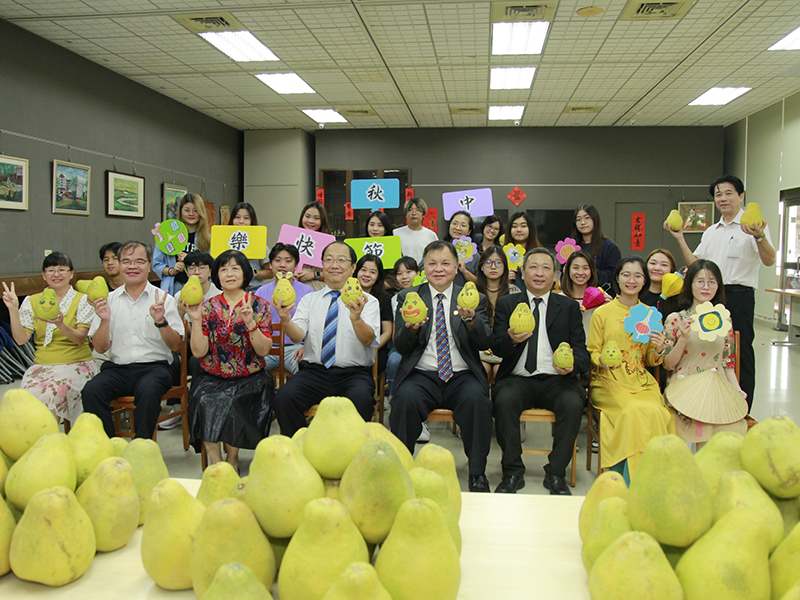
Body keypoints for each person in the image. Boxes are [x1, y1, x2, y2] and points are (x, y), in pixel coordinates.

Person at [665, 175, 776, 413]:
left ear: (741, 196)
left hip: (738, 296)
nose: (723, 198)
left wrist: (759, 236)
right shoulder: (712, 231)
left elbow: (769, 260)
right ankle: (710, 404)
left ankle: (742, 409)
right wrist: (680, 239)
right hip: (710, 296)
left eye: (728, 193)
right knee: (710, 348)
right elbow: (695, 263)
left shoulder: (753, 226)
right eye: (718, 194)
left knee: (740, 351)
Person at [390, 241, 493, 493]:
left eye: (445, 263)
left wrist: (470, 321)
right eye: (432, 263)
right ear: (423, 268)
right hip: (422, 375)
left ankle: (477, 472)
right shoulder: (408, 297)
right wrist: (412, 330)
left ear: (457, 266)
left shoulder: (473, 297)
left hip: (462, 374)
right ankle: (401, 469)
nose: (439, 269)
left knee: (478, 401)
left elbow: (485, 341)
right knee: (403, 400)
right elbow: (401, 346)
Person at [491, 248, 589, 495]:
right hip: (518, 377)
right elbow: (496, 346)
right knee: (503, 400)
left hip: (558, 379)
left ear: (555, 275)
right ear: (522, 272)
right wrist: (511, 339)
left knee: (573, 402)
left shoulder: (567, 307)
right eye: (533, 267)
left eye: (546, 268)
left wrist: (572, 366)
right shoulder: (507, 303)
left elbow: (581, 351)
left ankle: (556, 473)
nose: (539, 273)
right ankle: (512, 472)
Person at [273, 241, 380, 434]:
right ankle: (301, 449)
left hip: (353, 374)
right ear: (322, 265)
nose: (334, 265)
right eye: (329, 260)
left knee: (362, 400)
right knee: (284, 397)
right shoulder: (309, 300)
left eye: (341, 260)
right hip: (315, 372)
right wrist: (285, 320)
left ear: (353, 267)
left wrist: (356, 318)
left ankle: (350, 455)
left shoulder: (368, 301)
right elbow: (298, 336)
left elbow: (368, 340)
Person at [82, 241, 185, 440]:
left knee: (148, 391)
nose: (132, 266)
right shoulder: (108, 300)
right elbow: (101, 347)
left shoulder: (163, 299)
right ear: (119, 266)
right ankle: (109, 446)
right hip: (117, 369)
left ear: (149, 266)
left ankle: (142, 446)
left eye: (139, 261)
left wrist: (161, 321)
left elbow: (175, 346)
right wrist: (104, 320)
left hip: (154, 368)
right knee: (91, 391)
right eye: (126, 261)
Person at [183, 250, 274, 472]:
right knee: (203, 400)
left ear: (244, 272)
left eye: (235, 268)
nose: (229, 274)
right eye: (223, 269)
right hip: (214, 376)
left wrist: (250, 322)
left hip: (249, 376)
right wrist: (195, 321)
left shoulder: (259, 304)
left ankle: (232, 458)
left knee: (235, 402)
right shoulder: (207, 307)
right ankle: (216, 464)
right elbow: (198, 352)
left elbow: (263, 350)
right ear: (217, 275)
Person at [587, 256, 674, 483]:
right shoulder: (602, 313)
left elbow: (651, 360)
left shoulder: (651, 315)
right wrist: (602, 362)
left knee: (657, 412)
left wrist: (659, 349)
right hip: (608, 380)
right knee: (632, 411)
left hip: (640, 380)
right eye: (626, 274)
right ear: (617, 278)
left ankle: (655, 479)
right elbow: (593, 351)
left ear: (644, 281)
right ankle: (629, 480)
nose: (631, 280)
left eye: (638, 275)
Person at [2, 252, 99, 424]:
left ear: (71, 273)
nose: (56, 274)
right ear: (43, 275)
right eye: (51, 270)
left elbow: (79, 339)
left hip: (76, 364)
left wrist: (61, 323)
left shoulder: (83, 300)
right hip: (42, 366)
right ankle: (38, 440)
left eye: (62, 270)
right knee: (25, 397)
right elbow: (21, 339)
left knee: (52, 392)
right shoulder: (32, 301)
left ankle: (49, 439)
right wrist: (13, 309)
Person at [662, 260, 747, 447]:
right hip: (684, 386)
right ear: (689, 284)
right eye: (700, 281)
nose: (706, 287)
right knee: (695, 425)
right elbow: (668, 364)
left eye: (712, 282)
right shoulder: (676, 319)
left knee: (729, 429)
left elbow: (728, 364)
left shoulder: (725, 319)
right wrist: (683, 339)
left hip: (717, 386)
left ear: (719, 286)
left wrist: (737, 390)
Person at [159, 250, 222, 431]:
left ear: (210, 271)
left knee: (197, 361)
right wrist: (180, 314)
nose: (197, 272)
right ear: (186, 272)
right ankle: (177, 408)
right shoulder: (179, 296)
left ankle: (197, 407)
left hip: (212, 345)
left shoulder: (218, 295)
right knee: (171, 359)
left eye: (202, 267)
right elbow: (178, 333)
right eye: (192, 268)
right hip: (188, 342)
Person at [255, 243, 314, 376]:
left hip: (296, 349)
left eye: (288, 261)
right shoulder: (261, 292)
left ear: (296, 265)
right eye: (277, 260)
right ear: (270, 265)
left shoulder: (307, 292)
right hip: (267, 349)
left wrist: (308, 347)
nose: (282, 265)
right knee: (247, 369)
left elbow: (315, 324)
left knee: (308, 372)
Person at [474, 245, 520, 382]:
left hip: (505, 347)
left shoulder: (514, 292)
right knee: (483, 371)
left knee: (500, 372)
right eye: (488, 262)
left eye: (498, 262)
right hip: (480, 349)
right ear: (481, 267)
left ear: (505, 267)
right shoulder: (472, 292)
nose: (493, 267)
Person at [153, 193, 212, 295]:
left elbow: (213, 265)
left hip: (201, 289)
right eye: (186, 210)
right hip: (174, 288)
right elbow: (157, 264)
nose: (191, 214)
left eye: (195, 210)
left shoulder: (208, 239)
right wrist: (172, 271)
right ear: (180, 211)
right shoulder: (166, 234)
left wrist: (190, 259)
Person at [386, 256, 419, 412]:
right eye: (399, 274)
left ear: (418, 273)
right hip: (401, 344)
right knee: (394, 360)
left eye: (409, 271)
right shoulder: (394, 300)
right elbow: (394, 332)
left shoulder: (425, 294)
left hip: (423, 343)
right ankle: (394, 399)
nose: (404, 277)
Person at [355, 254, 393, 376]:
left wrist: (373, 347)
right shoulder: (345, 295)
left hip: (376, 348)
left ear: (378, 277)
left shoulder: (384, 299)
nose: (367, 275)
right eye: (363, 270)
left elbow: (387, 332)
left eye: (372, 272)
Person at [559, 250, 611, 339]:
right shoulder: (560, 299)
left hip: (595, 349)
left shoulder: (602, 297)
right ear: (567, 270)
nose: (580, 272)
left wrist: (612, 308)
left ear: (592, 271)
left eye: (585, 268)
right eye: (575, 267)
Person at [570, 204, 621, 290]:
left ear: (595, 220)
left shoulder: (609, 247)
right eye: (578, 219)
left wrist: (589, 271)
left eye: (587, 218)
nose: (583, 222)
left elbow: (614, 275)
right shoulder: (571, 247)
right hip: (574, 295)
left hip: (601, 296)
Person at [230, 202, 272, 290]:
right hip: (229, 290)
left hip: (253, 289)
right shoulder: (222, 241)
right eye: (237, 217)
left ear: (252, 221)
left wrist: (253, 273)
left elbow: (270, 272)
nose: (241, 222)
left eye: (246, 218)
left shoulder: (259, 243)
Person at [295, 201, 332, 291]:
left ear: (322, 221)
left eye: (316, 218)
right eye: (307, 216)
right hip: (293, 289)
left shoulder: (329, 244)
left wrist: (315, 275)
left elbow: (334, 273)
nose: (310, 221)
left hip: (317, 289)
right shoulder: (292, 237)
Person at [394, 197, 439, 265]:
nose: (414, 213)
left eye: (418, 210)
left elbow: (437, 256)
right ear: (406, 214)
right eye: (410, 210)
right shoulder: (396, 234)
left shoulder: (431, 235)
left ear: (423, 214)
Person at [364, 211, 399, 292]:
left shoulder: (393, 246)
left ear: (386, 228)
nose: (375, 229)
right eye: (372, 225)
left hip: (386, 294)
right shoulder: (358, 245)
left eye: (380, 225)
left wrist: (372, 287)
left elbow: (394, 277)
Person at [443, 210, 479, 284]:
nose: (458, 228)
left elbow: (480, 283)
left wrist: (464, 271)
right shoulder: (438, 248)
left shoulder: (474, 255)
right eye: (455, 223)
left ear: (469, 231)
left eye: (463, 225)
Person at [507, 211, 542, 284]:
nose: (519, 230)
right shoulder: (503, 253)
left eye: (523, 226)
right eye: (514, 226)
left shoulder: (540, 254)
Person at [639, 248, 677, 314]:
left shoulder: (678, 298)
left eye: (664, 265)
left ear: (672, 269)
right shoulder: (636, 293)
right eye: (653, 263)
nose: (657, 268)